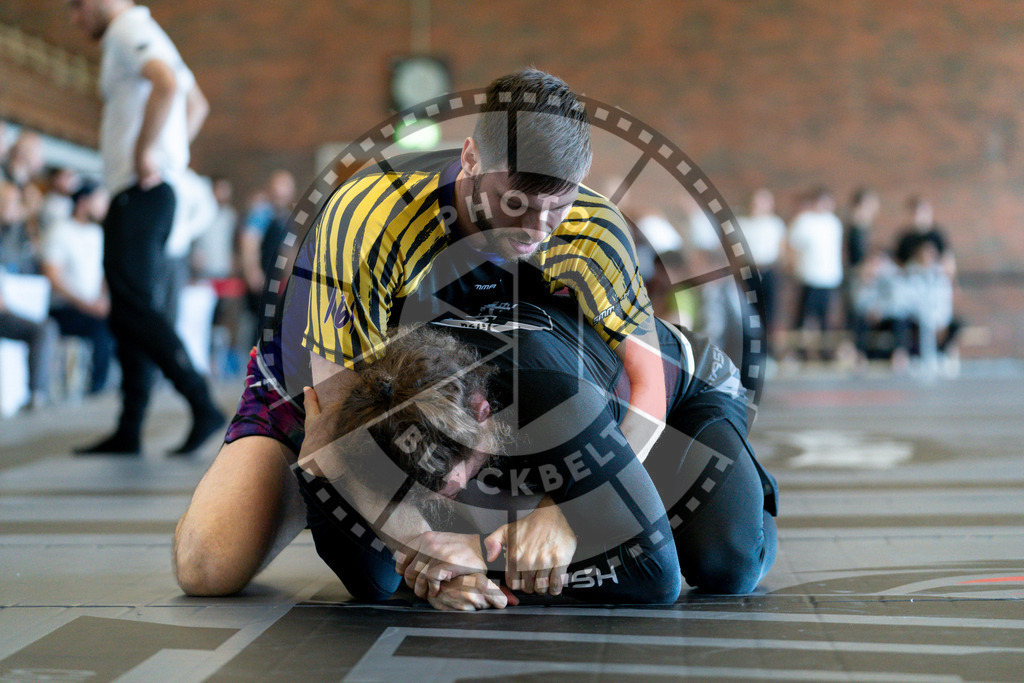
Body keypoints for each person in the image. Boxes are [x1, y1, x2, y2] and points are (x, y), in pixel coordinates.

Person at [173, 69, 673, 597]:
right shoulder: (369, 218)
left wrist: (565, 510)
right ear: (471, 158)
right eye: (516, 203)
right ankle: (304, 484)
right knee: (208, 568)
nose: (535, 227)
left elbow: (650, 385)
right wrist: (426, 554)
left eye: (557, 206)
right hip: (329, 400)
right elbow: (340, 417)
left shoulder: (594, 224)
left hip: (458, 415)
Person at [69, 0, 224, 455]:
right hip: (149, 193)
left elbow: (167, 85)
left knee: (132, 307)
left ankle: (200, 402)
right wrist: (169, 152)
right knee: (127, 307)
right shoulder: (149, 31)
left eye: (77, 5)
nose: (75, 18)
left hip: (138, 192)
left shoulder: (125, 30)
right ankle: (130, 427)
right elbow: (196, 104)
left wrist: (147, 152)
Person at [40, 181, 115, 395]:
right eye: (99, 201)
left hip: (93, 306)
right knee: (102, 328)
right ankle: (96, 389)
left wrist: (102, 299)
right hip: (63, 307)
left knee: (123, 321)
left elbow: (103, 274)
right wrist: (86, 305)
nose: (104, 207)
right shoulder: (60, 230)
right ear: (83, 202)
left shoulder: (97, 233)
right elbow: (52, 276)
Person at [0, 181, 58, 409]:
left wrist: (30, 219)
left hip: (12, 304)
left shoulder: (14, 233)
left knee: (46, 329)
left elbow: (29, 263)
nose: (14, 207)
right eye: (9, 202)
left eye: (16, 202)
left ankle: (36, 395)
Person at [787, 186, 844, 360]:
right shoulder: (804, 221)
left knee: (826, 319)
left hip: (829, 278)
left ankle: (825, 352)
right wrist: (793, 268)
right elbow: (791, 246)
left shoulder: (834, 222)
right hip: (808, 277)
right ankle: (798, 351)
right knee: (803, 318)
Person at [737, 188, 786, 354]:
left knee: (769, 312)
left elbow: (781, 249)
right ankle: (750, 349)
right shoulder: (742, 223)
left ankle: (767, 351)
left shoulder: (775, 224)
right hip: (749, 272)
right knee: (748, 312)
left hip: (769, 272)